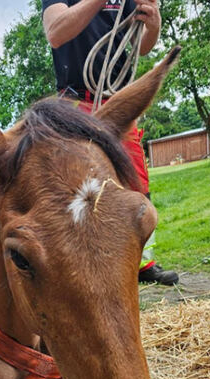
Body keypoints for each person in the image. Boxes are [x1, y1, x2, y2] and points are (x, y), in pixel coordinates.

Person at [42, 0, 179, 285]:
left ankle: (141, 263)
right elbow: (55, 33)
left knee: (136, 181)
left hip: (117, 97)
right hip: (75, 99)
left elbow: (141, 46)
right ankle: (82, 265)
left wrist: (153, 23)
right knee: (76, 185)